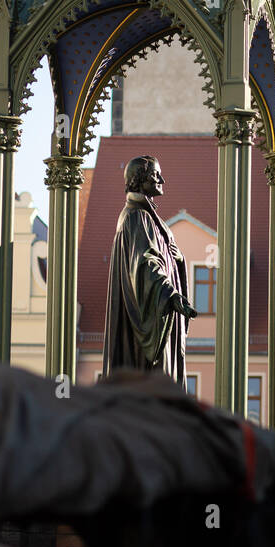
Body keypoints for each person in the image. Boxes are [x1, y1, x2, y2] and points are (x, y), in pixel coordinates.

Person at [102, 155, 198, 385]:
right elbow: (144, 264)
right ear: (139, 179)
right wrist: (169, 294)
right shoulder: (136, 217)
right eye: (155, 175)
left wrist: (179, 261)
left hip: (163, 314)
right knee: (157, 383)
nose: (162, 180)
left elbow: (166, 259)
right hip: (152, 317)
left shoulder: (151, 219)